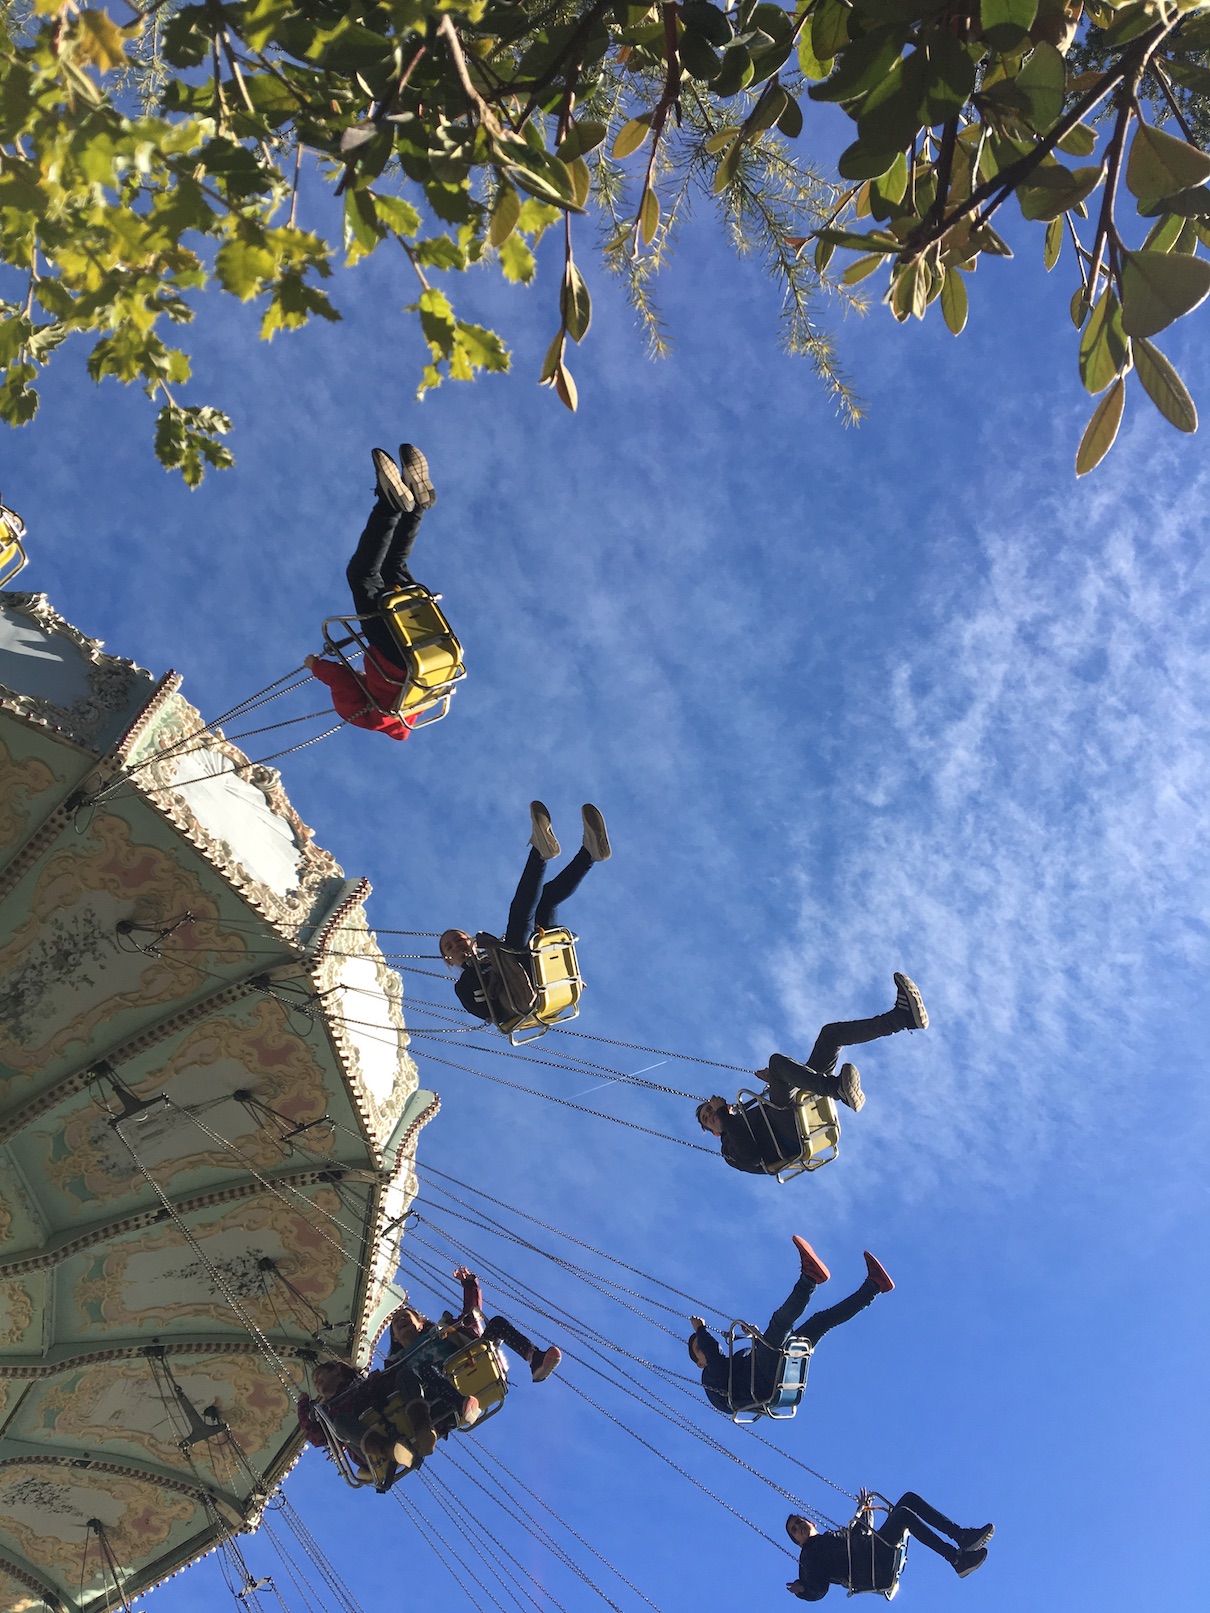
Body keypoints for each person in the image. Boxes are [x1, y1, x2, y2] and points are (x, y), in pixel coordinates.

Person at [695, 973, 929, 1173]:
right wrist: (726, 1117)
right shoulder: (728, 1150)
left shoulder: (747, 1112)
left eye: (709, 1110)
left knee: (830, 1035)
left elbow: (777, 1101)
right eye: (708, 1118)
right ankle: (837, 1089)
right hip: (788, 1136)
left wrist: (776, 1082)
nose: (710, 1114)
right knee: (777, 1063)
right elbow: (751, 1155)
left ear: (726, 1107)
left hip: (795, 1110)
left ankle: (902, 1018)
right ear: (715, 1134)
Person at [305, 443, 438, 740]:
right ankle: (390, 505)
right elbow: (341, 681)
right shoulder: (372, 718)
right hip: (394, 656)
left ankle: (415, 505)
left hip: (428, 639)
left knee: (394, 566)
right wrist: (316, 665)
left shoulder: (413, 706)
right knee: (362, 576)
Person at [440, 801, 611, 1024]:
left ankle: (589, 853)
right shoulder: (464, 986)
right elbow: (490, 1014)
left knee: (545, 901)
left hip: (533, 963)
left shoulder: (490, 955)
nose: (457, 945)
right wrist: (477, 970)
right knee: (520, 916)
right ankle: (540, 852)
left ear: (471, 940)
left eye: (458, 939)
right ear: (448, 960)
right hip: (522, 985)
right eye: (450, 947)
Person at [687, 1236, 893, 1416]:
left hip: (769, 1375)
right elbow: (715, 1356)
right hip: (764, 1382)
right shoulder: (711, 1378)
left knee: (820, 1321)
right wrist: (700, 1330)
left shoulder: (732, 1364)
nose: (707, 1345)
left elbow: (749, 1361)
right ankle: (809, 1278)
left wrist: (756, 1337)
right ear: (699, 1364)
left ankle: (873, 1286)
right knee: (779, 1323)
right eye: (700, 1349)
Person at [784, 1491, 994, 1598]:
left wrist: (864, 1510)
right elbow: (818, 1589)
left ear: (810, 1522)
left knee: (908, 1499)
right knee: (902, 1515)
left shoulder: (833, 1535)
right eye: (794, 1530)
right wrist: (803, 1589)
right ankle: (956, 1559)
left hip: (872, 1551)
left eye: (799, 1522)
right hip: (870, 1567)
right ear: (798, 1542)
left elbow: (860, 1533)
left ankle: (961, 1536)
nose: (799, 1528)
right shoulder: (809, 1558)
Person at [384, 1267, 563, 1386]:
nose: (401, 1321)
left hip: (471, 1360)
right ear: (395, 1337)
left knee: (497, 1323)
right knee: (424, 1371)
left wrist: (469, 1284)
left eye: (406, 1317)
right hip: (440, 1384)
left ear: (420, 1325)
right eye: (397, 1322)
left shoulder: (441, 1331)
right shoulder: (397, 1363)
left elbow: (470, 1314)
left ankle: (534, 1358)